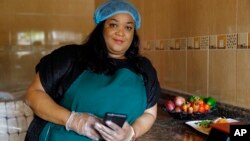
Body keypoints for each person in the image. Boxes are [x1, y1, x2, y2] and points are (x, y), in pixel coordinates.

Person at [24, 0, 160, 140]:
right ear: (101, 28)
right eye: (113, 25)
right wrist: (73, 120)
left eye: (128, 27)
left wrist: (131, 132)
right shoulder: (70, 57)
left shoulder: (144, 68)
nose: (121, 33)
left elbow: (149, 113)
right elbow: (33, 95)